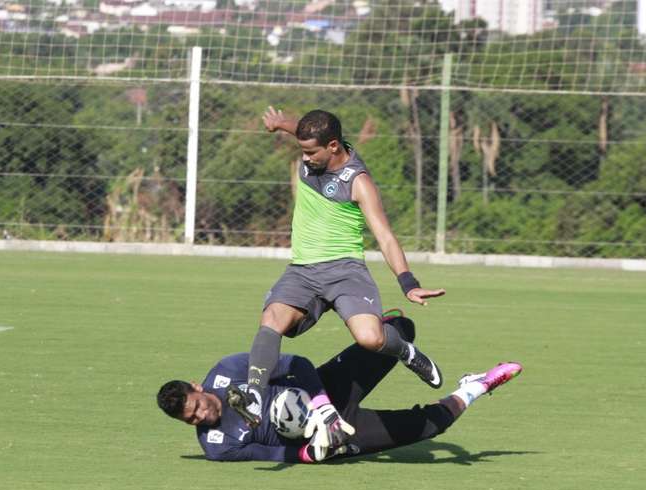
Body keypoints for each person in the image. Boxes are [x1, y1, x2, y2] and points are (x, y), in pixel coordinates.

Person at [242, 107, 446, 431]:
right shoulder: (314, 145)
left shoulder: (359, 182)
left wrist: (408, 282)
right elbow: (303, 131)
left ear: (333, 146)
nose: (305, 158)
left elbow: (385, 236)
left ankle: (405, 351)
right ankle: (253, 396)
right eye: (302, 149)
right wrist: (281, 123)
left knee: (370, 339)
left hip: (346, 271)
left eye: (311, 152)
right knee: (272, 320)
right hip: (303, 270)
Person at [157, 315, 522, 463]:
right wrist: (312, 453)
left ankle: (382, 324)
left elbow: (296, 365)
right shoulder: (217, 447)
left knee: (399, 329)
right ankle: (477, 385)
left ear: (197, 386)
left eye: (198, 405)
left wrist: (319, 403)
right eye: (191, 419)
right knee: (432, 427)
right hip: (330, 436)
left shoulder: (228, 370)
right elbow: (273, 456)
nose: (202, 416)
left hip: (322, 389)